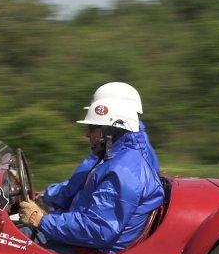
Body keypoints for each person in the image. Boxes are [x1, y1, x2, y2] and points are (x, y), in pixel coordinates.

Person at [17, 90, 165, 254]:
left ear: (109, 131)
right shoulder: (118, 159)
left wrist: (41, 220)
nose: (87, 134)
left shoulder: (122, 170)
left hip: (89, 252)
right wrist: (45, 200)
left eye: (92, 128)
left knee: (8, 241)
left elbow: (98, 228)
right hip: (86, 243)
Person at [39, 82, 159, 214]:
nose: (86, 134)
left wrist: (45, 199)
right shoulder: (138, 147)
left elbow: (76, 187)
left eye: (92, 127)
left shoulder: (121, 162)